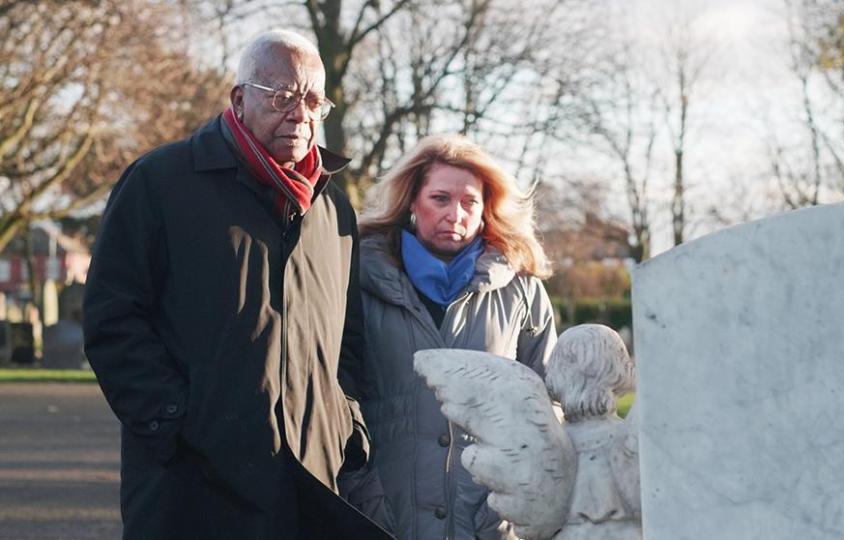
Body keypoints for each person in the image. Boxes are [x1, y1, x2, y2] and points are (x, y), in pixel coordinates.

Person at [83, 29, 390, 539]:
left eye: (314, 100)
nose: (300, 114)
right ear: (239, 99)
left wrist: (345, 423)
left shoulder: (333, 207)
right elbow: (111, 317)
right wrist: (173, 421)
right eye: (282, 97)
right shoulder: (160, 182)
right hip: (193, 485)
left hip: (311, 481)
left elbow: (347, 338)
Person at [357, 134, 558, 539]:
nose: (456, 214)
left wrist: (518, 499)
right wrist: (364, 493)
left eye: (470, 202)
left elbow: (550, 404)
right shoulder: (358, 277)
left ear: (486, 209)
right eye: (441, 199)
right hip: (385, 515)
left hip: (491, 519)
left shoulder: (521, 287)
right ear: (412, 201)